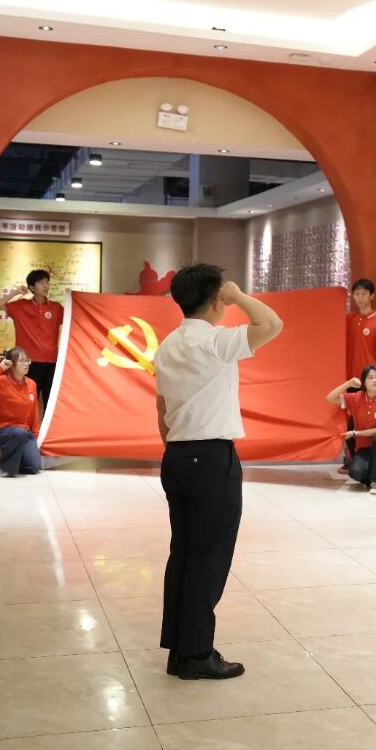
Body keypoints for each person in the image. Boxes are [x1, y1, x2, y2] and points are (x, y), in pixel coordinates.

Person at [155, 265, 282, 680]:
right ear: (215, 300)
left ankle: (180, 649)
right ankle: (196, 654)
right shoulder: (215, 342)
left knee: (184, 554)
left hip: (177, 457)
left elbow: (161, 408)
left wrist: (177, 450)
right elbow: (272, 324)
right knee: (208, 559)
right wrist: (239, 295)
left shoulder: (168, 345)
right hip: (211, 459)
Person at [0, 269, 63, 412]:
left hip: (52, 362)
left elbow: (74, 321)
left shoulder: (56, 308)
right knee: (28, 402)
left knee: (51, 404)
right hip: (29, 362)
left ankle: (46, 428)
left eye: (47, 282)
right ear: (32, 287)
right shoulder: (20, 306)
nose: (46, 286)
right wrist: (15, 292)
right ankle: (27, 426)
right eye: (41, 283)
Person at [326, 365, 376, 495]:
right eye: (370, 378)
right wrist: (348, 383)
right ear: (364, 382)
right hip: (365, 449)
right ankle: (371, 478)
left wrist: (355, 433)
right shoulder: (356, 398)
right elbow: (330, 398)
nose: (375, 380)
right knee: (355, 472)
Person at [342, 278, 376, 472]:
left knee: (367, 421)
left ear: (372, 296)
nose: (360, 298)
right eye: (356, 294)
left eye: (364, 294)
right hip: (349, 379)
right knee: (348, 419)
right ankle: (352, 459)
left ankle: (368, 461)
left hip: (368, 381)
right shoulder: (350, 319)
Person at [0, 347, 42, 477]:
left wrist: (35, 434)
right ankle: (5, 469)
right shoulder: (1, 381)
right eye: (21, 361)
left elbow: (34, 411)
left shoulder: (31, 384)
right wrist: (0, 368)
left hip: (24, 432)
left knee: (34, 467)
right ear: (11, 364)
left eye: (27, 360)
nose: (26, 364)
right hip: (1, 430)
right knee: (18, 433)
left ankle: (13, 457)